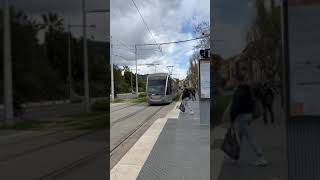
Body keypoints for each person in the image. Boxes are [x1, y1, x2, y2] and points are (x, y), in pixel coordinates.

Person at [230, 74, 268, 166]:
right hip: (248, 115)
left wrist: (232, 118)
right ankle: (235, 157)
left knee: (249, 138)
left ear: (238, 81)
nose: (233, 82)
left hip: (240, 117)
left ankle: (261, 157)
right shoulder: (248, 89)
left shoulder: (239, 91)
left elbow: (236, 107)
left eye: (234, 80)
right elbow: (252, 102)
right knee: (239, 137)